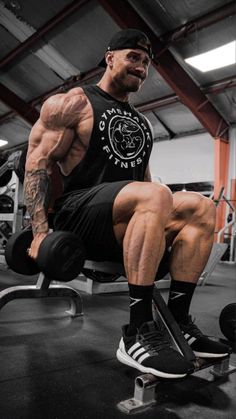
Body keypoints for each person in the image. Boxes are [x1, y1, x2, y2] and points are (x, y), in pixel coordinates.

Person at [24, 28, 230, 379]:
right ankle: (137, 331)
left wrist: (162, 225)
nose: (141, 68)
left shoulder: (141, 122)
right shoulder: (73, 103)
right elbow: (36, 163)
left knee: (202, 207)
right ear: (110, 58)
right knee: (155, 194)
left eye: (147, 62)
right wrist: (40, 232)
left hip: (125, 218)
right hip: (78, 215)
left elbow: (147, 187)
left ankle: (178, 324)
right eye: (133, 58)